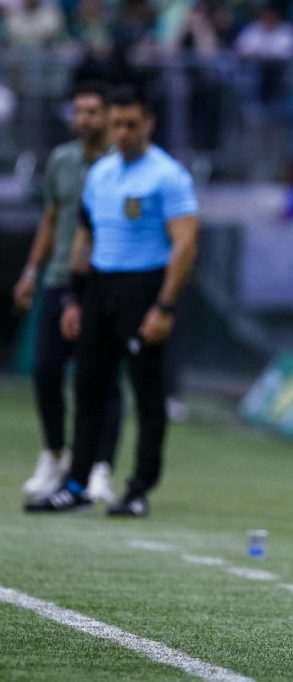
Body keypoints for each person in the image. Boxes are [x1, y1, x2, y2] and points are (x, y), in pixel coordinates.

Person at [25, 86, 200, 518]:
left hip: (144, 290)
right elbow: (84, 237)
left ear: (148, 124)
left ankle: (139, 487)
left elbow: (186, 244)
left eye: (130, 124)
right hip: (100, 288)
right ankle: (77, 484)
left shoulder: (167, 175)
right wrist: (73, 299)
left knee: (146, 394)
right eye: (116, 124)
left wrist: (165, 307)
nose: (122, 132)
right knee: (88, 389)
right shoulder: (101, 174)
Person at [13, 81, 123, 504]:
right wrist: (30, 272)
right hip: (61, 277)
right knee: (45, 371)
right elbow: (51, 218)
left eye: (92, 112)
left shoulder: (122, 162)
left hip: (106, 279)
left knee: (104, 380)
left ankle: (100, 467)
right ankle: (55, 453)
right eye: (78, 111)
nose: (83, 120)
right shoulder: (62, 159)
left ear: (108, 115)